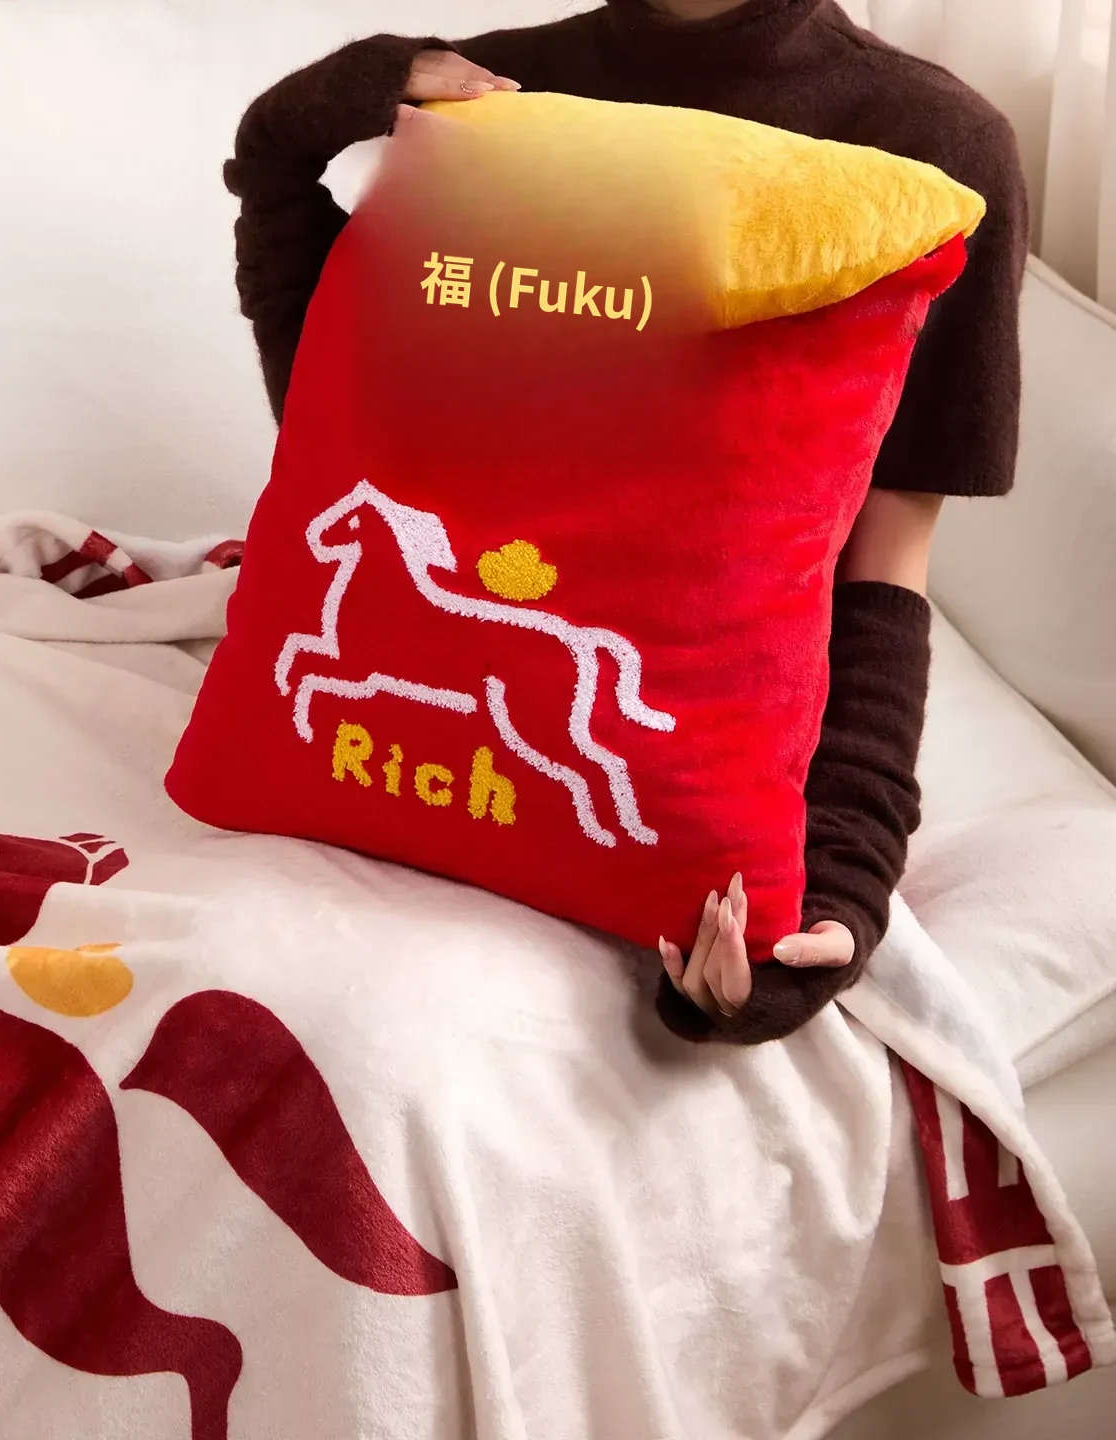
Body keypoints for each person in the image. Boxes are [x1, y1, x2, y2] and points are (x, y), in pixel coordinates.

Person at [222, 0, 1027, 1044]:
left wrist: (842, 876)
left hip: (698, 755)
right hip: (387, 747)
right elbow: (333, 419)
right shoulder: (483, 98)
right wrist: (316, 108)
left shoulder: (936, 145)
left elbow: (884, 562)